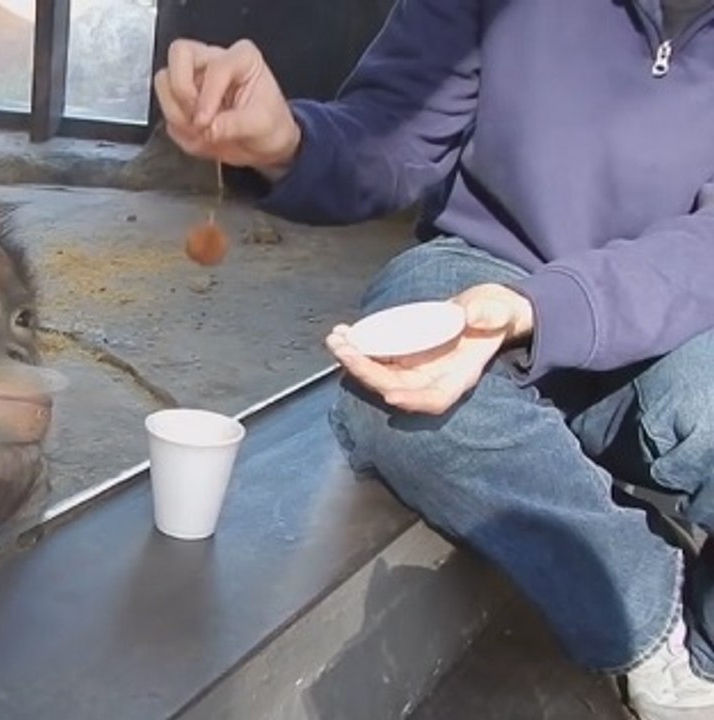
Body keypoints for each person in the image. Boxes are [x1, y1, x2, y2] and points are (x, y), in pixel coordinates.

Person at [153, 1, 714, 718]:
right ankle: (648, 615)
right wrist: (287, 140)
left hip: (676, 306)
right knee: (395, 397)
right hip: (487, 262)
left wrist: (547, 308)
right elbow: (398, 136)